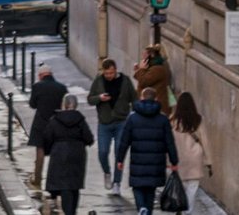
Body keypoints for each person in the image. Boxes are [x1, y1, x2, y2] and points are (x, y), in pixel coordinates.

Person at [116, 86, 179, 215]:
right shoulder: (163, 119)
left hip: (138, 161)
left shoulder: (132, 118)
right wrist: (174, 161)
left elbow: (124, 141)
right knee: (151, 189)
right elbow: (170, 142)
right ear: (156, 99)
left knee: (137, 187)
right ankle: (147, 211)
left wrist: (120, 159)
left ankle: (141, 208)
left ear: (141, 98)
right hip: (156, 162)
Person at [42, 93, 95, 215]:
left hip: (59, 152)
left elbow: (47, 137)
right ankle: (72, 210)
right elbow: (89, 138)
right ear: (75, 105)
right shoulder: (80, 120)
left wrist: (48, 151)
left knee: (64, 184)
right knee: (74, 185)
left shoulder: (55, 119)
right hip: (77, 153)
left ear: (64, 105)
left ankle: (68, 212)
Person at [88, 57, 134, 191]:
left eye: (111, 73)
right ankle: (107, 172)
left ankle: (117, 182)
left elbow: (134, 98)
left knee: (119, 152)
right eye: (106, 73)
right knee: (102, 152)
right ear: (103, 71)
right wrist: (99, 98)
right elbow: (90, 99)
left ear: (115, 70)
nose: (109, 76)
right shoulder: (98, 81)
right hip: (105, 122)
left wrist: (134, 115)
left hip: (121, 121)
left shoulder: (125, 81)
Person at [27, 64, 70, 188]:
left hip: (41, 123)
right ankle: (55, 180)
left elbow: (32, 104)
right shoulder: (61, 88)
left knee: (40, 151)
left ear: (40, 75)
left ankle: (37, 179)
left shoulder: (37, 86)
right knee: (56, 152)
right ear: (51, 74)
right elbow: (65, 106)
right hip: (57, 123)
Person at [170, 91, 212, 208]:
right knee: (192, 187)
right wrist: (208, 162)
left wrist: (168, 160)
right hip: (195, 157)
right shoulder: (198, 119)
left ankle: (182, 208)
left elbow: (168, 141)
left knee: (181, 186)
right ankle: (188, 210)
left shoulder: (172, 120)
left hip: (179, 157)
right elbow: (205, 141)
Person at [134, 44, 173, 112]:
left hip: (154, 107)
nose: (143, 57)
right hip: (150, 106)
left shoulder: (157, 69)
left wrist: (141, 70)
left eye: (145, 54)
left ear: (151, 55)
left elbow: (143, 82)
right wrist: (138, 70)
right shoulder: (153, 66)